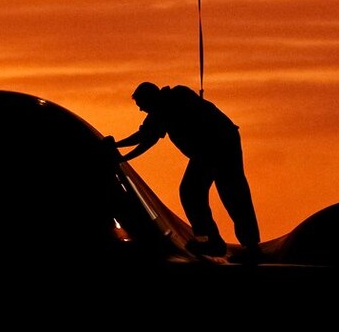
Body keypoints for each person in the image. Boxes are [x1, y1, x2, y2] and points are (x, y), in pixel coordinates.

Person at [106, 81, 261, 261]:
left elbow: (147, 139)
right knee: (199, 192)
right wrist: (118, 148)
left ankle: (240, 245)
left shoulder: (177, 96)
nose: (141, 110)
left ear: (150, 99)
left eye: (142, 105)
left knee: (227, 192)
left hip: (218, 144)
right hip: (208, 149)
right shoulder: (159, 112)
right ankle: (217, 241)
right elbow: (145, 137)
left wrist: (122, 155)